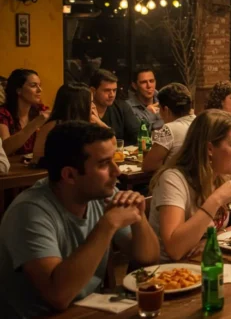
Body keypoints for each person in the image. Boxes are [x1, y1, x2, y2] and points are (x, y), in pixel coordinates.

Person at [0, 121, 159, 317]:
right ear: (70, 175)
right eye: (103, 164)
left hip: (89, 310)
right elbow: (58, 296)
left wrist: (139, 216)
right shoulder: (29, 212)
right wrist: (107, 225)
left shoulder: (102, 195)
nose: (116, 171)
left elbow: (148, 258)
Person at [149, 110, 231, 261]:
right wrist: (216, 199)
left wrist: (214, 239)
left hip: (208, 262)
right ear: (209, 149)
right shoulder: (173, 179)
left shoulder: (228, 171)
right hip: (171, 274)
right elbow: (175, 249)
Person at [32, 83, 109, 164]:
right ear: (79, 105)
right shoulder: (52, 126)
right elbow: (37, 159)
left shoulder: (87, 124)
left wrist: (98, 121)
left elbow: (111, 146)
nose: (94, 106)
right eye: (90, 102)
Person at [141, 83, 195, 173]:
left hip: (176, 182)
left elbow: (148, 166)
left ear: (166, 110)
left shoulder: (169, 129)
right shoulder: (199, 121)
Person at [0, 69, 50, 155]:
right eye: (33, 85)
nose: (40, 90)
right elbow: (5, 149)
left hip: (32, 166)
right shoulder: (3, 114)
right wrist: (35, 123)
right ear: (19, 90)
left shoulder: (41, 110)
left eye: (39, 85)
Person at [90, 69, 141, 146]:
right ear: (93, 91)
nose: (112, 95)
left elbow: (138, 135)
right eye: (107, 90)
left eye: (114, 90)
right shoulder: (84, 111)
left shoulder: (122, 107)